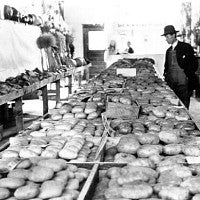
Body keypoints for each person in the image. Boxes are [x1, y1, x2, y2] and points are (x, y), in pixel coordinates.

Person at [162, 25, 198, 109]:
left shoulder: (185, 47)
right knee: (173, 107)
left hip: (184, 83)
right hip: (172, 84)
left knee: (184, 107)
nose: (166, 39)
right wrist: (166, 77)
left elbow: (194, 64)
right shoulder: (168, 51)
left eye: (167, 37)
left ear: (174, 35)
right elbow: (166, 67)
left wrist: (189, 76)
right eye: (165, 37)